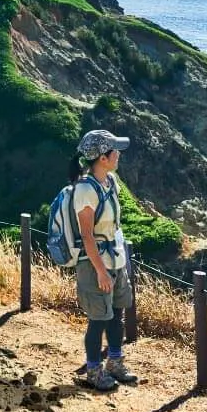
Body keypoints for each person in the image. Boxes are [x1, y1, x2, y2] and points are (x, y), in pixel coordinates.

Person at [68, 129, 138, 389]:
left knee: (116, 314)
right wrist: (100, 271)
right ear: (102, 158)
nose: (118, 154)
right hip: (96, 264)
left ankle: (116, 362)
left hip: (115, 261)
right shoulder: (86, 190)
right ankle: (94, 369)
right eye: (114, 151)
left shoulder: (110, 182)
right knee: (98, 320)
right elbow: (87, 235)